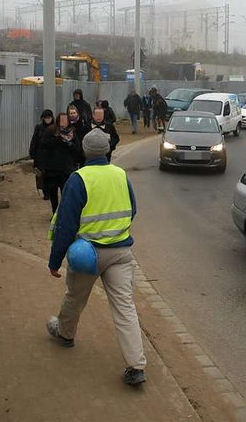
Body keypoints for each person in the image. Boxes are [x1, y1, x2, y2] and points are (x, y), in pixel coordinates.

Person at [46, 129, 147, 387]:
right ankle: (136, 367)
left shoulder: (78, 179)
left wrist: (55, 261)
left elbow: (66, 225)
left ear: (84, 151)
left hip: (86, 255)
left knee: (75, 298)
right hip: (121, 252)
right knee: (125, 308)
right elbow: (132, 210)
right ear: (107, 151)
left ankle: (65, 334)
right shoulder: (121, 175)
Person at [39, 112, 80, 213]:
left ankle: (63, 213)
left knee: (65, 192)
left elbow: (77, 148)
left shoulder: (72, 133)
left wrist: (69, 144)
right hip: (52, 169)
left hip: (66, 168)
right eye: (61, 120)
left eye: (65, 120)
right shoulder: (51, 131)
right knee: (53, 192)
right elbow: (43, 145)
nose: (63, 123)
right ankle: (55, 211)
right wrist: (56, 139)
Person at [29, 109, 54, 200]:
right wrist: (32, 153)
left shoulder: (55, 127)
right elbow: (34, 140)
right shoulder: (39, 127)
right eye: (45, 118)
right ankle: (46, 192)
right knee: (42, 175)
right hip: (41, 155)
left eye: (49, 117)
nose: (47, 119)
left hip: (52, 155)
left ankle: (51, 192)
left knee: (51, 175)